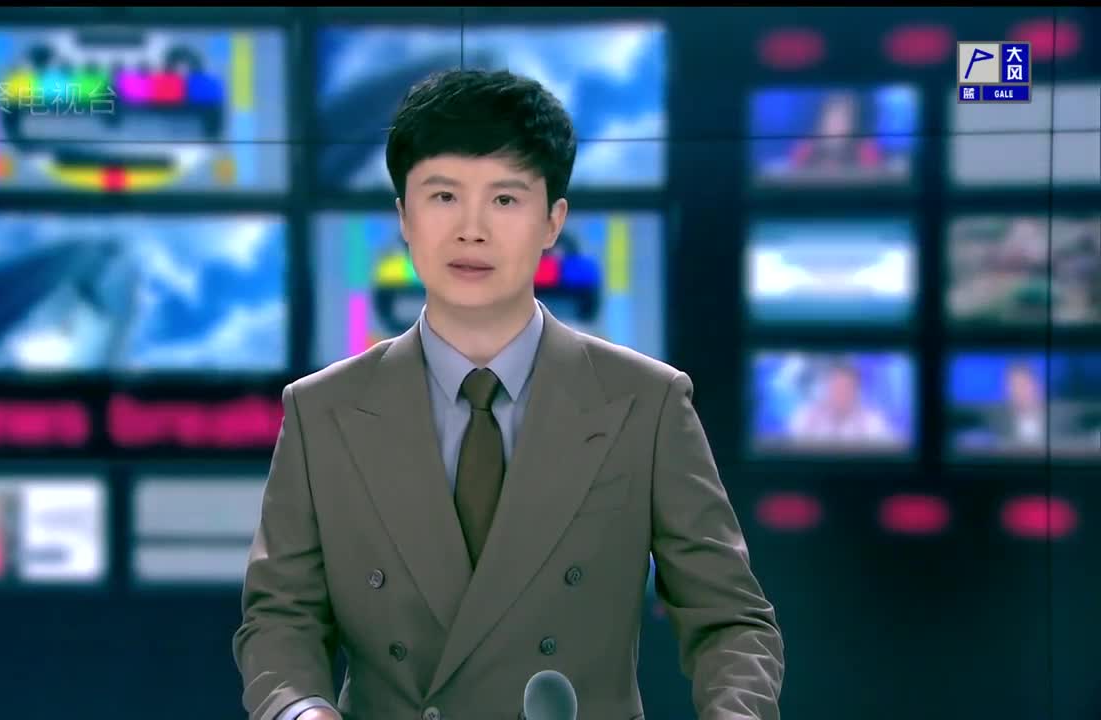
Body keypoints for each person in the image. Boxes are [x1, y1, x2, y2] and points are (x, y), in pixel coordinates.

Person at [233, 69, 784, 720]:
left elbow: (731, 622)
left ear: (553, 221)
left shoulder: (647, 402)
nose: (471, 230)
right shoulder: (322, 410)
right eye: (443, 196)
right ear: (404, 217)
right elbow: (281, 620)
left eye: (504, 199)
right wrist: (300, 710)